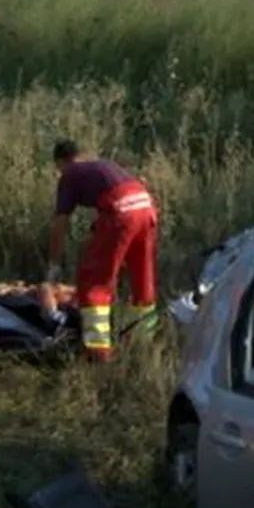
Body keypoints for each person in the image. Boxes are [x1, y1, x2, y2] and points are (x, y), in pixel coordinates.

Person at [45, 140, 159, 362]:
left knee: (93, 281)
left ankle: (98, 354)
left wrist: (54, 265)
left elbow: (60, 224)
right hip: (145, 206)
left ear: (61, 162)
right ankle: (143, 344)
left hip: (122, 212)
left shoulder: (70, 174)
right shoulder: (103, 166)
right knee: (142, 278)